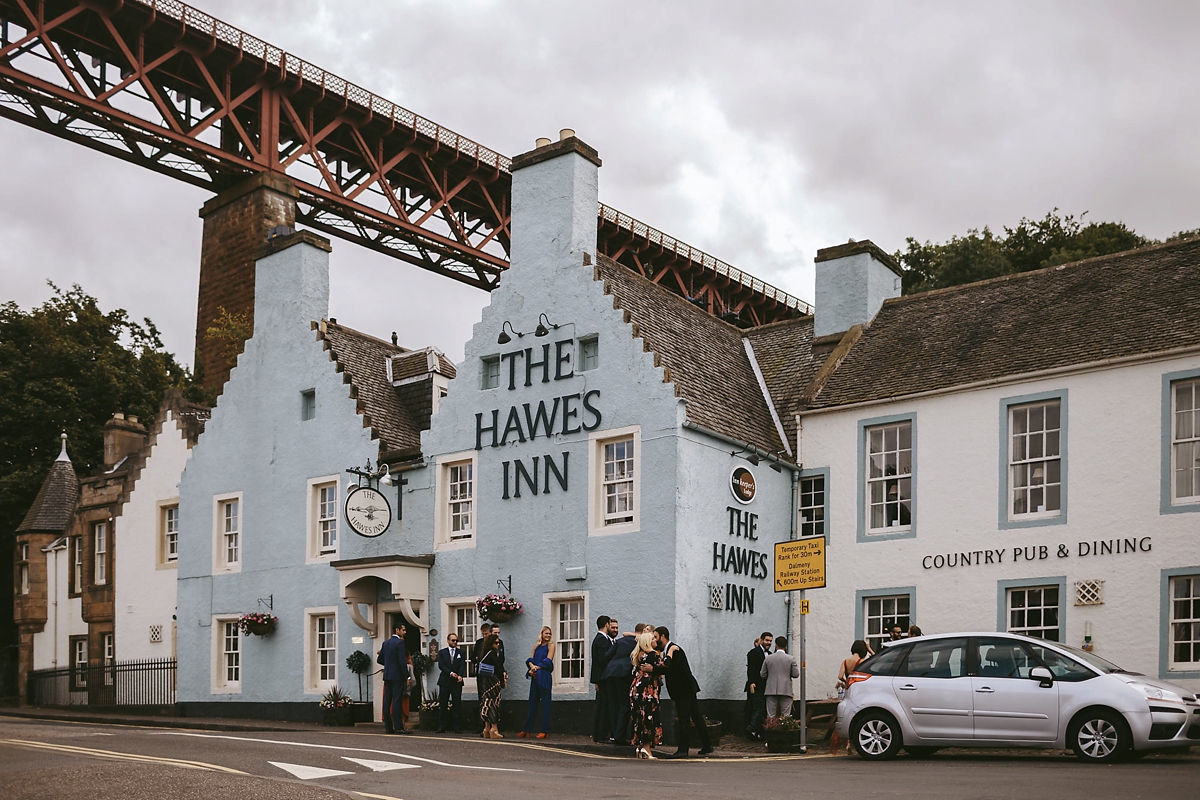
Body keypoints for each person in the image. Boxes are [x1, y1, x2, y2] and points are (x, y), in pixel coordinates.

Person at [656, 626, 712, 758]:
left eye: (656, 637)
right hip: (686, 689)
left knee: (684, 719)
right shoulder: (669, 650)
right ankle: (707, 745)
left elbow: (673, 671)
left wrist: (655, 670)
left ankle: (683, 749)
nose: (655, 639)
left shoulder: (675, 650)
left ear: (663, 636)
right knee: (696, 717)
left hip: (683, 690)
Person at [601, 622, 646, 744]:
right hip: (624, 674)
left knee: (613, 705)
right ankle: (619, 737)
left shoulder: (621, 641)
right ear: (642, 633)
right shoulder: (640, 642)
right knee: (624, 705)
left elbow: (607, 655)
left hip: (610, 672)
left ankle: (614, 735)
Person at [628, 630, 663, 759]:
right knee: (649, 717)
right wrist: (670, 652)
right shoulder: (653, 655)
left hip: (636, 689)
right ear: (648, 642)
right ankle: (647, 748)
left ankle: (640, 746)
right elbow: (665, 667)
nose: (655, 640)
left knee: (639, 718)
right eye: (653, 639)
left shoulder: (639, 655)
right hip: (647, 690)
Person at [519, 626, 555, 739]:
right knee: (532, 703)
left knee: (545, 704)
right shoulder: (536, 646)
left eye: (550, 634)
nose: (548, 635)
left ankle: (544, 730)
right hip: (535, 676)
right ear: (542, 634)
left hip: (544, 676)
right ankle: (527, 729)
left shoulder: (551, 646)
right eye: (546, 633)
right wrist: (532, 667)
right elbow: (530, 659)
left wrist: (536, 667)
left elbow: (548, 660)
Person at [377, 624, 410, 734]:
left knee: (387, 701)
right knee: (397, 700)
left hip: (387, 675)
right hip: (397, 676)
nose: (404, 632)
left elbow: (379, 660)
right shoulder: (400, 643)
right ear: (397, 630)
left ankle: (388, 727)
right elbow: (402, 662)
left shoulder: (385, 643)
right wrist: (407, 676)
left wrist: (388, 665)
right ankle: (399, 727)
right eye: (403, 630)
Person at [760, 635, 799, 721]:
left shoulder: (768, 658)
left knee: (770, 715)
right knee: (786, 715)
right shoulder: (790, 659)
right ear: (785, 646)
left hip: (771, 689)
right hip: (785, 689)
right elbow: (796, 674)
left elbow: (762, 674)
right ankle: (785, 732)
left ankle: (770, 732)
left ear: (776, 645)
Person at [590, 615, 616, 743]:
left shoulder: (603, 639)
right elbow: (602, 660)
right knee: (604, 706)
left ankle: (599, 734)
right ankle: (601, 735)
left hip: (602, 677)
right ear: (606, 624)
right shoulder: (601, 639)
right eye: (610, 624)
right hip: (603, 677)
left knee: (602, 705)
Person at [436, 633, 466, 733]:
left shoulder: (461, 652)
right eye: (453, 640)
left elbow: (462, 665)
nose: (455, 642)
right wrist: (451, 673)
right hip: (445, 681)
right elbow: (441, 665)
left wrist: (460, 675)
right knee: (443, 704)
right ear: (448, 641)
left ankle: (457, 727)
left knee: (457, 704)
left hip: (456, 682)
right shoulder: (442, 652)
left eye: (456, 640)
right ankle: (442, 726)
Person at [745, 631, 772, 739]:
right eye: (767, 640)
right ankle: (750, 729)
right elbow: (751, 669)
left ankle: (758, 731)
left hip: (767, 686)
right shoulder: (753, 652)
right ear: (761, 640)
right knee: (759, 708)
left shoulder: (770, 654)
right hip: (756, 686)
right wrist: (751, 682)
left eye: (770, 641)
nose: (769, 643)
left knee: (763, 709)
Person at [477, 633, 505, 739]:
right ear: (491, 644)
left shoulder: (484, 654)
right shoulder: (493, 654)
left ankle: (486, 729)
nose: (498, 645)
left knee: (486, 703)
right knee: (494, 704)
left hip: (486, 683)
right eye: (496, 643)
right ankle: (494, 729)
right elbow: (499, 668)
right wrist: (502, 682)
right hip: (493, 683)